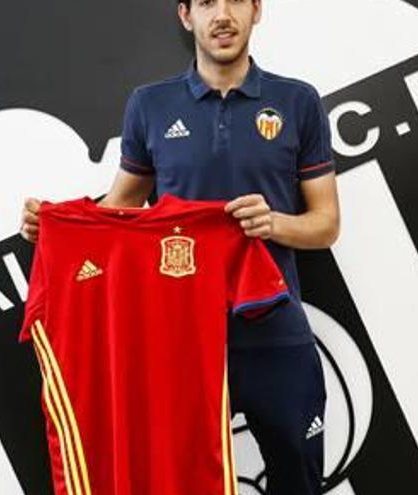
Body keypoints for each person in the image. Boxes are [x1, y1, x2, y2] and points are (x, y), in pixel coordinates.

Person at [20, 1, 339, 493]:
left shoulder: (297, 101)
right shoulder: (150, 104)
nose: (222, 15)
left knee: (299, 477)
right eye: (206, 2)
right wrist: (59, 227)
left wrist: (272, 222)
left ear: (256, 10)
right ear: (186, 15)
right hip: (179, 341)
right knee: (180, 482)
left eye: (236, 1)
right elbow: (121, 208)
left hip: (273, 329)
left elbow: (326, 224)